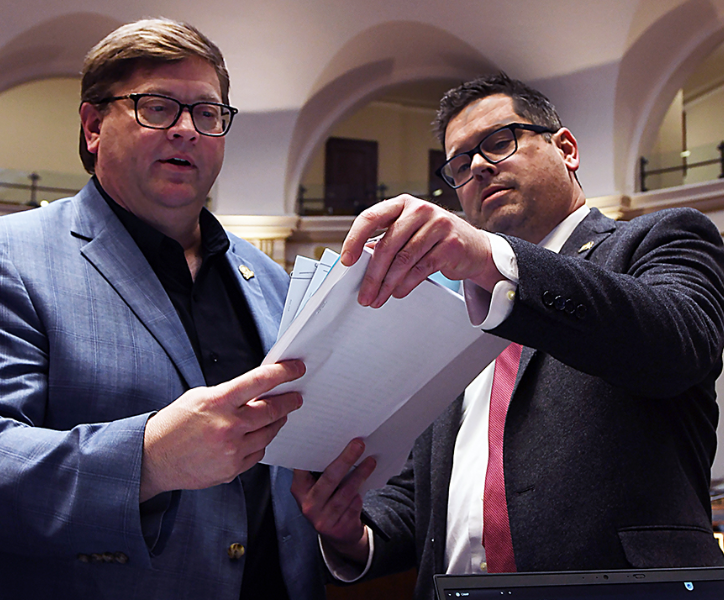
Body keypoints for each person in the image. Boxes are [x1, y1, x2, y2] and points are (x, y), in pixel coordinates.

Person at [0, 18, 326, 599]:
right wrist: (149, 459)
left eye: (207, 114)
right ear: (92, 127)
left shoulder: (270, 278)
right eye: (158, 107)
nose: (187, 130)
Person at [292, 73, 724, 600]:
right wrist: (353, 535)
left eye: (499, 142)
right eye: (458, 163)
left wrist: (496, 261)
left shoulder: (661, 237)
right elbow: (430, 498)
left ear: (566, 149)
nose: (476, 166)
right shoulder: (454, 315)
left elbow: (679, 344)